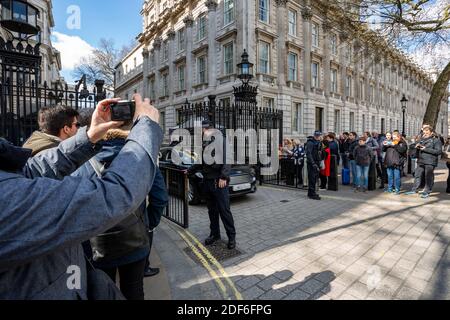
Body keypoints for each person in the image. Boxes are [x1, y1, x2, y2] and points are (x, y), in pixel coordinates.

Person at [0, 94, 162, 299]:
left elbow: (30, 170)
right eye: (76, 125)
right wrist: (146, 128)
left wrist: (90, 136)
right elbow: (112, 196)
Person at [188, 121, 236, 250]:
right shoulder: (205, 143)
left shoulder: (220, 139)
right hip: (207, 182)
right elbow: (201, 162)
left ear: (207, 129)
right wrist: (189, 171)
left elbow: (227, 158)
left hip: (219, 181)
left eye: (201, 130)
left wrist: (224, 176)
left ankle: (231, 237)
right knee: (212, 211)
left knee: (224, 211)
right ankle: (215, 234)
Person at [405, 125, 442, 199]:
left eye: (427, 132)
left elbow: (438, 151)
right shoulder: (421, 139)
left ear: (431, 133)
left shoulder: (436, 140)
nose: (425, 134)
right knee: (417, 175)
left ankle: (427, 191)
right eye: (424, 132)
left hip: (430, 161)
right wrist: (415, 146)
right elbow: (413, 146)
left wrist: (425, 149)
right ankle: (414, 189)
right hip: (420, 160)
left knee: (428, 176)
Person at [305, 131, 323, 200]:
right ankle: (312, 194)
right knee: (312, 179)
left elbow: (320, 152)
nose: (318, 137)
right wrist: (313, 163)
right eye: (317, 136)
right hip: (312, 163)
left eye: (319, 136)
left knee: (315, 178)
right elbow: (308, 154)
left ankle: (311, 192)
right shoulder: (310, 143)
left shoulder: (318, 142)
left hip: (316, 162)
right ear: (315, 136)